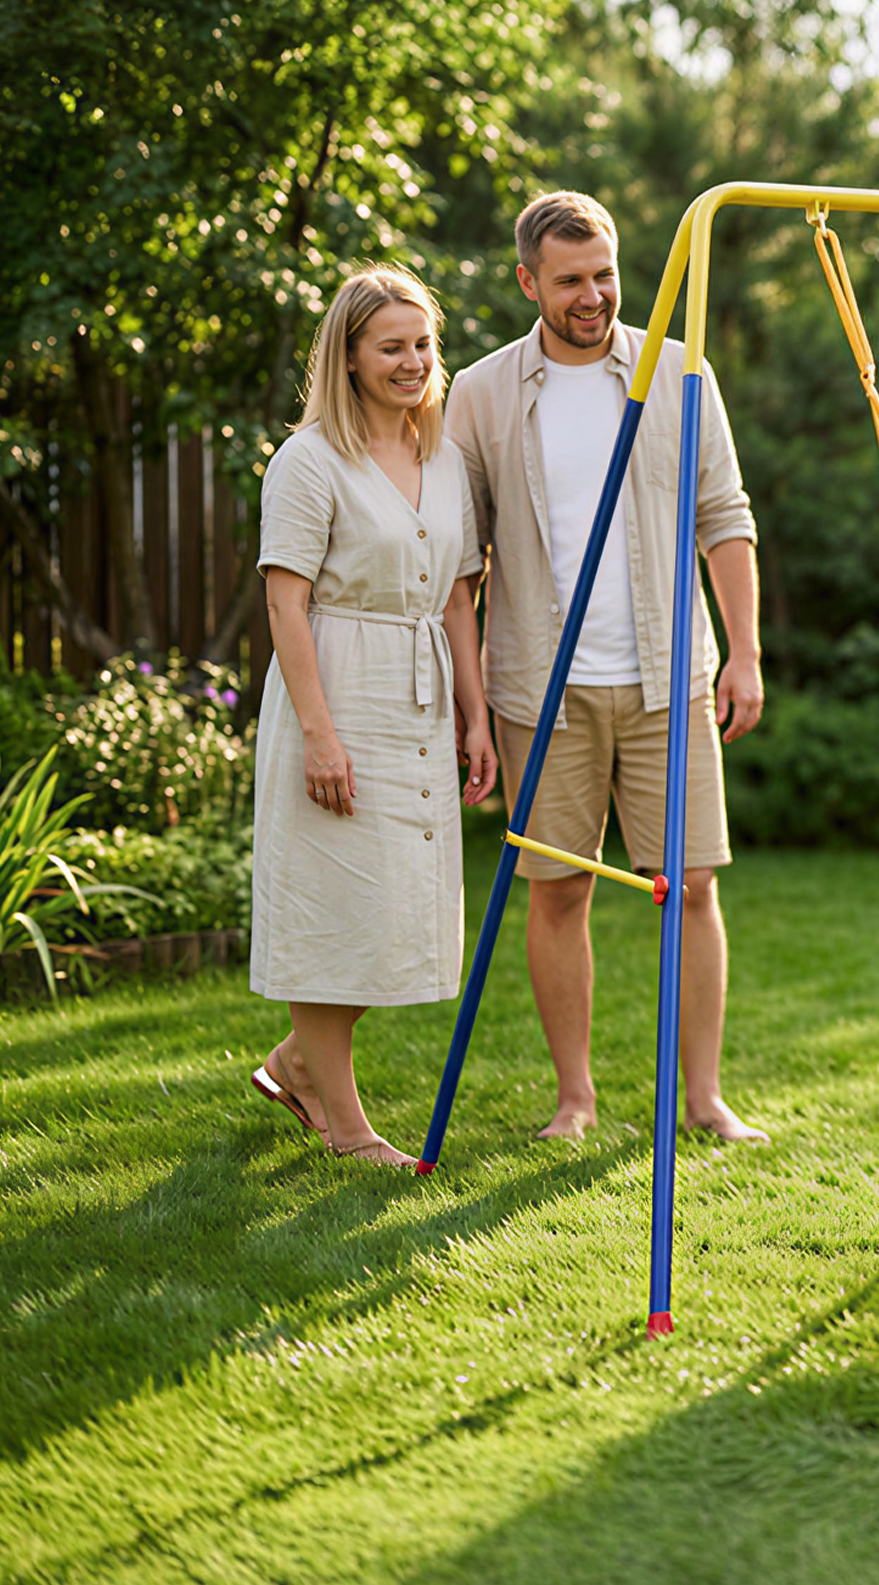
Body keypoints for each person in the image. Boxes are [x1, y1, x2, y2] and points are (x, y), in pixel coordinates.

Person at [445, 191, 767, 1144]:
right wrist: (472, 710)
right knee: (561, 889)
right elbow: (463, 565)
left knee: (695, 884)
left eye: (605, 275)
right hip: (539, 685)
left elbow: (727, 519)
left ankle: (702, 1098)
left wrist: (742, 654)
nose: (593, 297)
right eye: (571, 280)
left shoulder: (678, 371)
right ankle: (575, 1099)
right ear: (529, 282)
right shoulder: (482, 392)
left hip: (671, 678)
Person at [250, 266, 499, 1168]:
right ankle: (348, 1130)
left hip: (423, 697)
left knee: (400, 907)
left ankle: (294, 1066)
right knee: (338, 908)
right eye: (389, 346)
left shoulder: (444, 459)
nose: (411, 361)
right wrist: (321, 734)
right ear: (348, 357)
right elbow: (286, 607)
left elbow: (460, 601)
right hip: (339, 690)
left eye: (422, 344)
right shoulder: (310, 460)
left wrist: (476, 716)